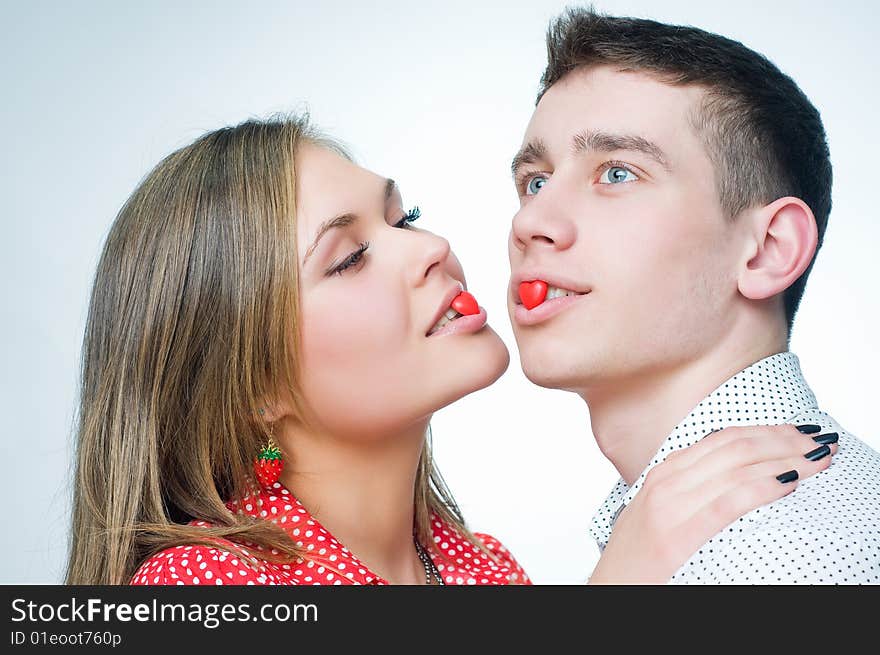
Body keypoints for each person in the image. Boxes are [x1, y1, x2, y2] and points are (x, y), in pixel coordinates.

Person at [66, 115, 836, 586]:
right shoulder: (202, 588)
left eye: (404, 219)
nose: (431, 248)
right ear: (253, 383)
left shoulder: (482, 567)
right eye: (348, 258)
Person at [508, 7, 880, 583]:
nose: (533, 221)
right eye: (535, 181)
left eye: (618, 173)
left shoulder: (771, 558)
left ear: (768, 250)